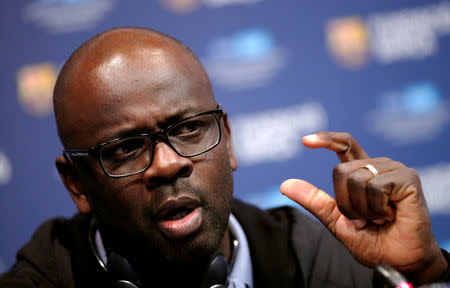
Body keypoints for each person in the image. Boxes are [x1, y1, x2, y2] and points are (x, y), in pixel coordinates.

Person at [1, 27, 449, 288]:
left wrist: (423, 271)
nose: (167, 164)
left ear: (228, 141)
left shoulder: (320, 264)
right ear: (77, 183)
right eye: (124, 148)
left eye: (188, 129)